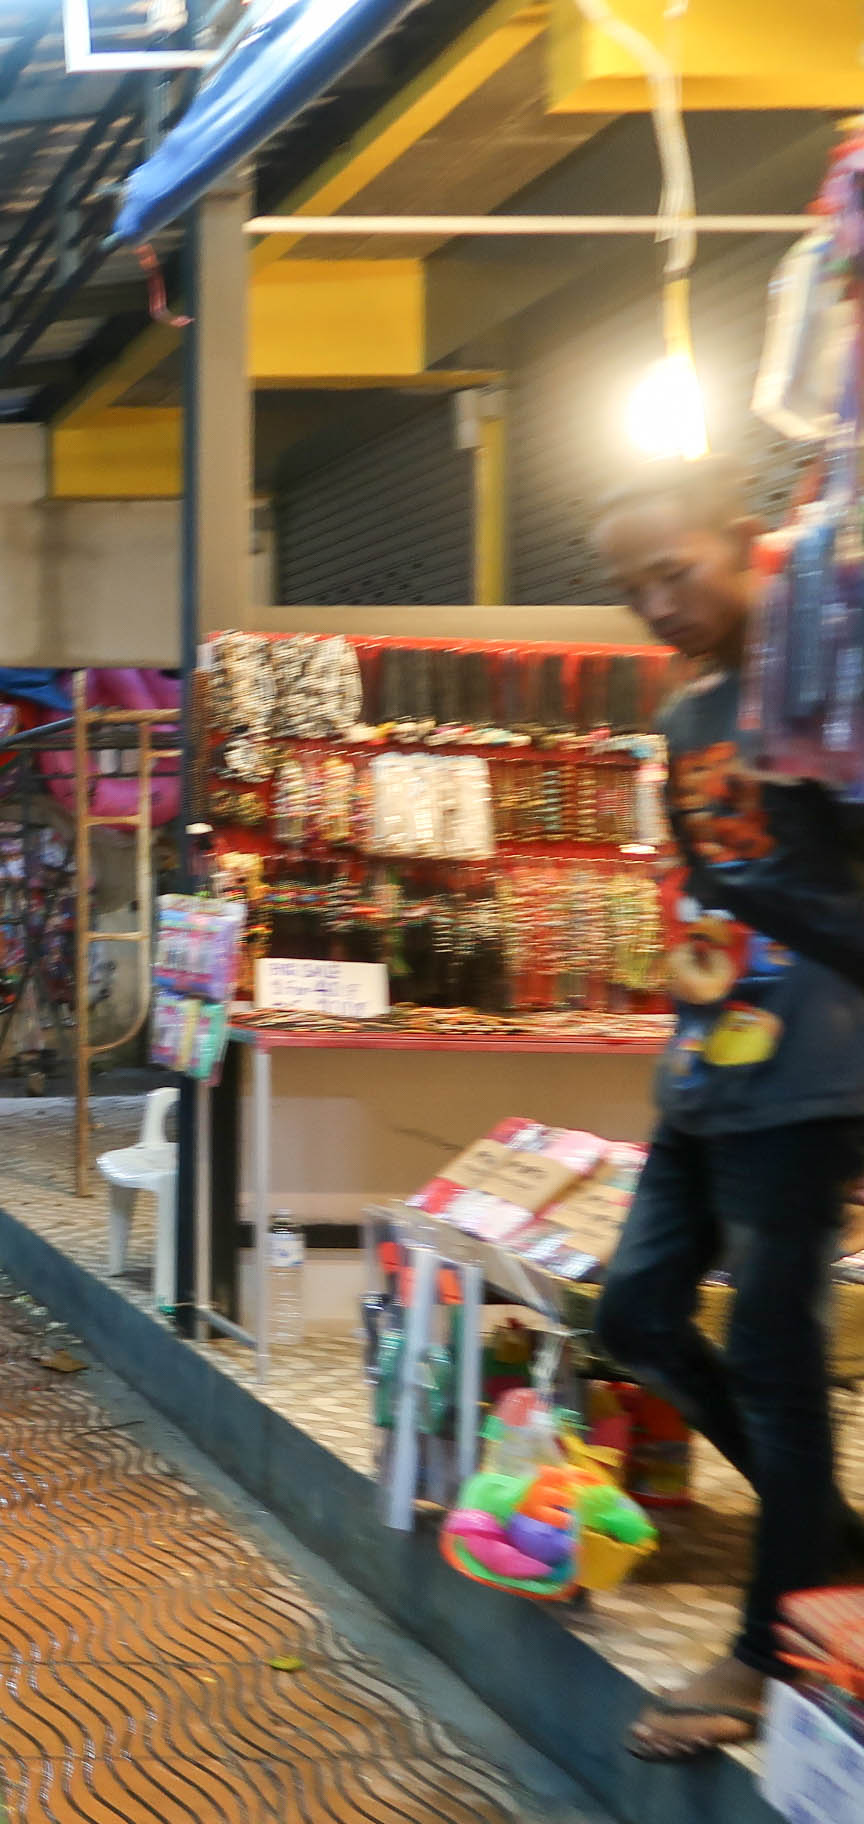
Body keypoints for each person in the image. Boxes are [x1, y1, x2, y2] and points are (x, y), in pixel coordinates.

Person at [590, 455, 864, 1762]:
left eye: (675, 571)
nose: (656, 602)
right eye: (632, 587)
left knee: (773, 1349)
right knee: (634, 1313)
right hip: (711, 1067)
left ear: (747, 544)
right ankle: (833, 1548)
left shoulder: (832, 686)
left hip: (819, 1068)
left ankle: (772, 1645)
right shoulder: (692, 711)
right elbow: (718, 891)